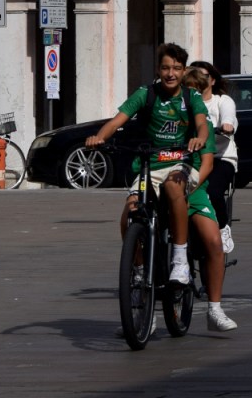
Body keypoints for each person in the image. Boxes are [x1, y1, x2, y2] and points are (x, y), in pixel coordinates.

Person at [85, 44, 236, 331]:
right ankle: (141, 276)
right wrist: (98, 137)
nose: (170, 73)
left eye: (177, 69)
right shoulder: (146, 95)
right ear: (158, 69)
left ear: (184, 71)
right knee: (129, 214)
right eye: (166, 68)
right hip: (149, 168)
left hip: (182, 170)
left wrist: (197, 140)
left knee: (212, 240)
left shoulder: (192, 98)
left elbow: (203, 128)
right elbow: (117, 121)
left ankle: (203, 293)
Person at [190, 60, 238, 254]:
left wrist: (227, 125)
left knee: (213, 191)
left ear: (213, 81)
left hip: (220, 157)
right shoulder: (187, 102)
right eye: (194, 76)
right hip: (191, 157)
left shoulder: (221, 101)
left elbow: (229, 117)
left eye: (204, 76)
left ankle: (223, 228)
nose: (200, 80)